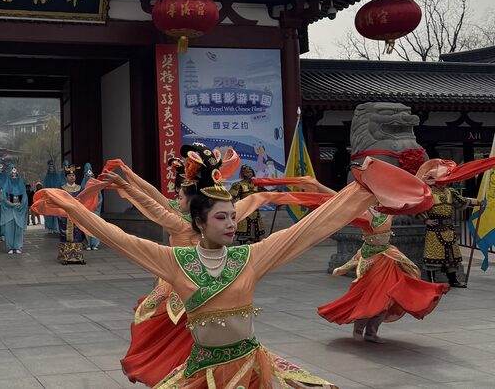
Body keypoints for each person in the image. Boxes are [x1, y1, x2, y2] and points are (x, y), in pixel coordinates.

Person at [33, 154, 431, 388]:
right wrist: (71, 206)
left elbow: (309, 229)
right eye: (221, 218)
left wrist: (359, 191)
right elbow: (119, 237)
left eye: (232, 216)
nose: (231, 223)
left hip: (251, 364)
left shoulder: (250, 257)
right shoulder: (174, 261)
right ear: (199, 224)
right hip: (202, 368)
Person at [318, 214, 449, 343]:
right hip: (370, 285)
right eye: (379, 236)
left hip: (388, 284)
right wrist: (341, 269)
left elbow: (408, 264)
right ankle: (358, 330)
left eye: (386, 235)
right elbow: (353, 262)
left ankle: (371, 333)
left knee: (382, 308)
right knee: (368, 308)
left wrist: (414, 279)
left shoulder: (391, 250)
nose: (383, 238)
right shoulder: (365, 251)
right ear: (367, 237)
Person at [415, 158, 492, 287]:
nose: (443, 183)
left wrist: (479, 202)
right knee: (433, 257)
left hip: (448, 228)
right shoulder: (427, 194)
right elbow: (417, 207)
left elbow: (463, 201)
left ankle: (453, 280)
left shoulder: (450, 192)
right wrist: (426, 219)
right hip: (434, 229)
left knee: (452, 256)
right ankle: (432, 282)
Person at [229, 165, 266, 244]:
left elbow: (266, 193)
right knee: (243, 235)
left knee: (257, 236)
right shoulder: (239, 184)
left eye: (250, 172)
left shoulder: (257, 184)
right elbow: (231, 196)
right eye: (247, 172)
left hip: (255, 210)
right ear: (243, 174)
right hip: (244, 210)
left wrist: (277, 192)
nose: (249, 174)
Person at [58, 163, 86, 264]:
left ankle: (78, 257)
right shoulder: (62, 189)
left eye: (73, 175)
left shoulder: (80, 188)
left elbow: (83, 201)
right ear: (66, 177)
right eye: (69, 175)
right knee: (66, 235)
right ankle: (66, 257)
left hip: (77, 215)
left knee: (78, 234)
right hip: (65, 215)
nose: (72, 177)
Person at [1, 165, 28, 254]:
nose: (14, 176)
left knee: (18, 229)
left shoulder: (21, 185)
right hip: (9, 210)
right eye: (12, 174)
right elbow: (4, 198)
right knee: (9, 229)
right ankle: (10, 247)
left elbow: (24, 197)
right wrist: (10, 204)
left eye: (15, 174)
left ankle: (18, 246)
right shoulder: (6, 185)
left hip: (19, 210)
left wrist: (20, 204)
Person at [81, 163, 103, 250]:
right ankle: (88, 243)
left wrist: (96, 206)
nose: (89, 175)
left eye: (90, 173)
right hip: (86, 209)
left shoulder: (96, 185)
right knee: (87, 227)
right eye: (87, 173)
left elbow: (100, 197)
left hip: (95, 209)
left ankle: (95, 244)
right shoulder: (83, 186)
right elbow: (81, 197)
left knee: (95, 226)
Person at [42, 160, 63, 233]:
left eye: (52, 166)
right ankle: (50, 227)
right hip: (48, 197)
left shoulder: (57, 176)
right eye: (50, 166)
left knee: (56, 212)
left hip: (56, 196)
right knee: (49, 212)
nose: (51, 168)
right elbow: (44, 186)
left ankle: (56, 227)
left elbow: (59, 185)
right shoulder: (47, 177)